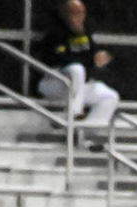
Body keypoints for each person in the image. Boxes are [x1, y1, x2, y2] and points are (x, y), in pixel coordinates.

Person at [40, 0, 120, 131]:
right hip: (56, 82)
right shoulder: (55, 33)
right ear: (65, 15)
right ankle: (74, 114)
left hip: (79, 88)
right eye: (75, 13)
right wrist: (89, 62)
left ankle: (85, 132)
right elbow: (62, 59)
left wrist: (99, 57)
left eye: (82, 13)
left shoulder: (85, 32)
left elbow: (92, 54)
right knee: (76, 69)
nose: (80, 17)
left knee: (110, 96)